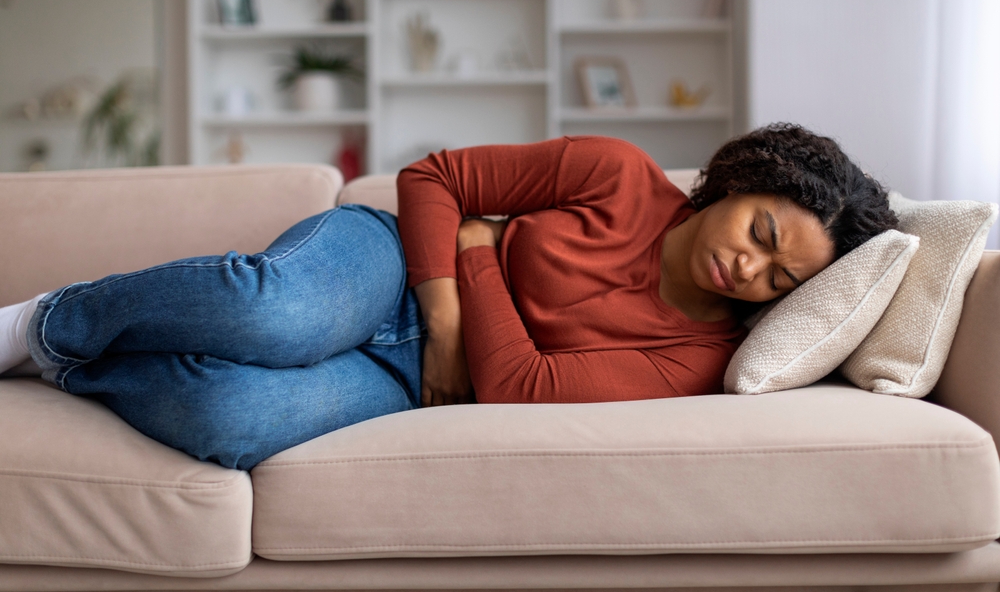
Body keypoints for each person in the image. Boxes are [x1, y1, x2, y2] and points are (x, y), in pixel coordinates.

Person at [0, 124, 897, 470]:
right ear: (739, 183)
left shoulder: (702, 356)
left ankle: (71, 365)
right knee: (276, 313)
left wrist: (480, 250)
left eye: (781, 280)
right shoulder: (619, 174)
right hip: (390, 263)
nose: (750, 270)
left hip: (415, 379)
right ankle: (49, 318)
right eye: (763, 235)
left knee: (232, 419)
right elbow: (432, 178)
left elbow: (524, 388)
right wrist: (449, 311)